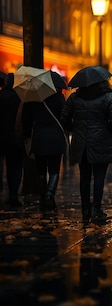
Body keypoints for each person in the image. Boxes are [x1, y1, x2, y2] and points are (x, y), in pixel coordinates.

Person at [60, 73, 112, 222]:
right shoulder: (108, 97)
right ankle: (97, 209)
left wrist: (75, 129)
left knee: (85, 177)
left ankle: (85, 209)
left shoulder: (74, 97)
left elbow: (64, 118)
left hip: (81, 142)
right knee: (99, 176)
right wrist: (108, 131)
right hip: (101, 140)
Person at [21, 71, 67, 210]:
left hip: (39, 138)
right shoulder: (59, 98)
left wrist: (27, 135)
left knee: (41, 169)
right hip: (55, 138)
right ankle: (49, 194)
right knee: (54, 170)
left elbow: (26, 119)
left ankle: (43, 193)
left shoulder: (32, 99)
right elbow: (64, 117)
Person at [0, 73, 24, 208]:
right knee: (16, 167)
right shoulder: (20, 98)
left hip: (1, 137)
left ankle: (5, 192)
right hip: (16, 136)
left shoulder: (1, 97)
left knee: (5, 166)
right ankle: (13, 195)